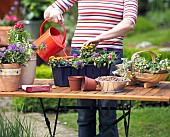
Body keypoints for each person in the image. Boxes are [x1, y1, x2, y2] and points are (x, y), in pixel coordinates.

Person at [44, 0, 138, 137]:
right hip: (80, 55)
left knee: (107, 114)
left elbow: (129, 23)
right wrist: (54, 11)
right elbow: (48, 11)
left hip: (110, 55)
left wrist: (100, 38)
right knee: (84, 115)